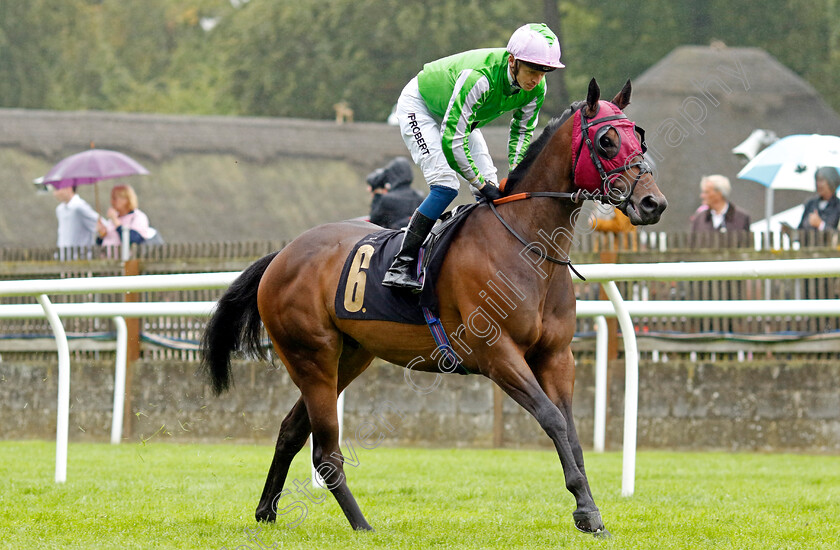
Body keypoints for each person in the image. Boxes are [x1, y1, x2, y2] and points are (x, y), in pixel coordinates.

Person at [382, 23, 565, 291]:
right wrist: (480, 184)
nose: (537, 79)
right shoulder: (481, 77)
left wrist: (515, 176)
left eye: (544, 72)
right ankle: (401, 263)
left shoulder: (537, 90)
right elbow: (452, 140)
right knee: (446, 186)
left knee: (496, 188)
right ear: (512, 62)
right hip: (421, 106)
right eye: (533, 71)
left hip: (459, 118)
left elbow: (522, 134)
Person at [367, 157, 425, 229]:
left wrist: (377, 195)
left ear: (392, 174)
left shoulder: (387, 199)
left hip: (393, 238)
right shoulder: (419, 197)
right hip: (414, 238)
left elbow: (374, 222)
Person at [52, 184, 99, 249]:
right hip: (63, 256)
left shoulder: (79, 207)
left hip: (80, 257)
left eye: (57, 189)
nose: (55, 194)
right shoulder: (60, 209)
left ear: (69, 188)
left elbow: (100, 226)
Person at [797, 166, 840, 231]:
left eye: (821, 180)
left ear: (831, 182)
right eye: (817, 180)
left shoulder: (838, 206)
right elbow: (800, 230)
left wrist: (820, 224)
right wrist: (790, 231)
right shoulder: (810, 204)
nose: (818, 184)